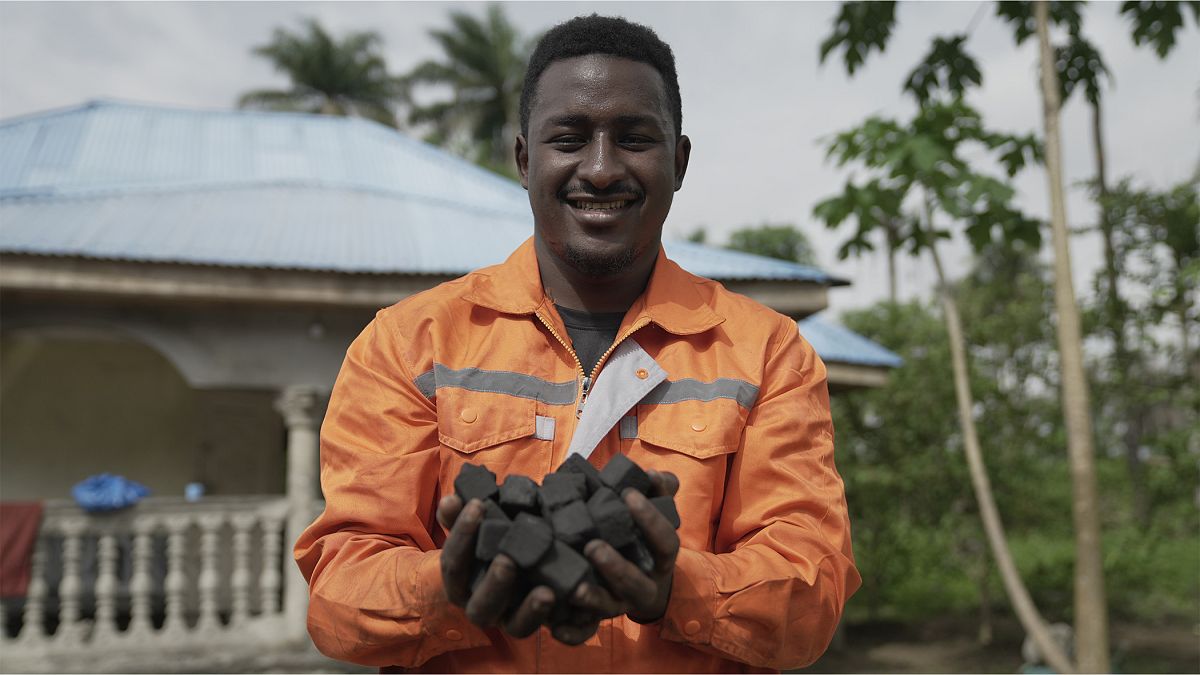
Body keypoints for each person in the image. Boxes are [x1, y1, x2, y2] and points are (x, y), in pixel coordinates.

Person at [295, 14, 859, 673]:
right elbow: (338, 598)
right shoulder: (410, 344)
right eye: (569, 139)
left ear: (677, 162)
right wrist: (447, 586)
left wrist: (681, 587)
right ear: (524, 158)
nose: (599, 168)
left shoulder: (767, 354)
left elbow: (811, 596)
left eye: (633, 138)